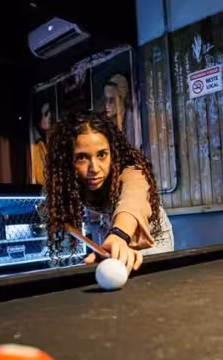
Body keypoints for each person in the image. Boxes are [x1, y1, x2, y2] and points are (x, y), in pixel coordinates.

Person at [44, 111, 173, 272]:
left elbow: (132, 200)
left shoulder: (132, 172)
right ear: (66, 159)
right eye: (82, 157)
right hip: (112, 236)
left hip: (152, 239)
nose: (95, 168)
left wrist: (119, 235)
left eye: (102, 154)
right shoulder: (68, 181)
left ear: (112, 152)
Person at [104, 74, 140, 149]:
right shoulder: (109, 123)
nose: (107, 105)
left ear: (121, 99)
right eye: (106, 99)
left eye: (111, 100)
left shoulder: (132, 122)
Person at [31, 101, 53, 185]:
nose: (50, 116)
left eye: (52, 112)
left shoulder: (50, 139)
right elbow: (41, 179)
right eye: (47, 113)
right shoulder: (34, 145)